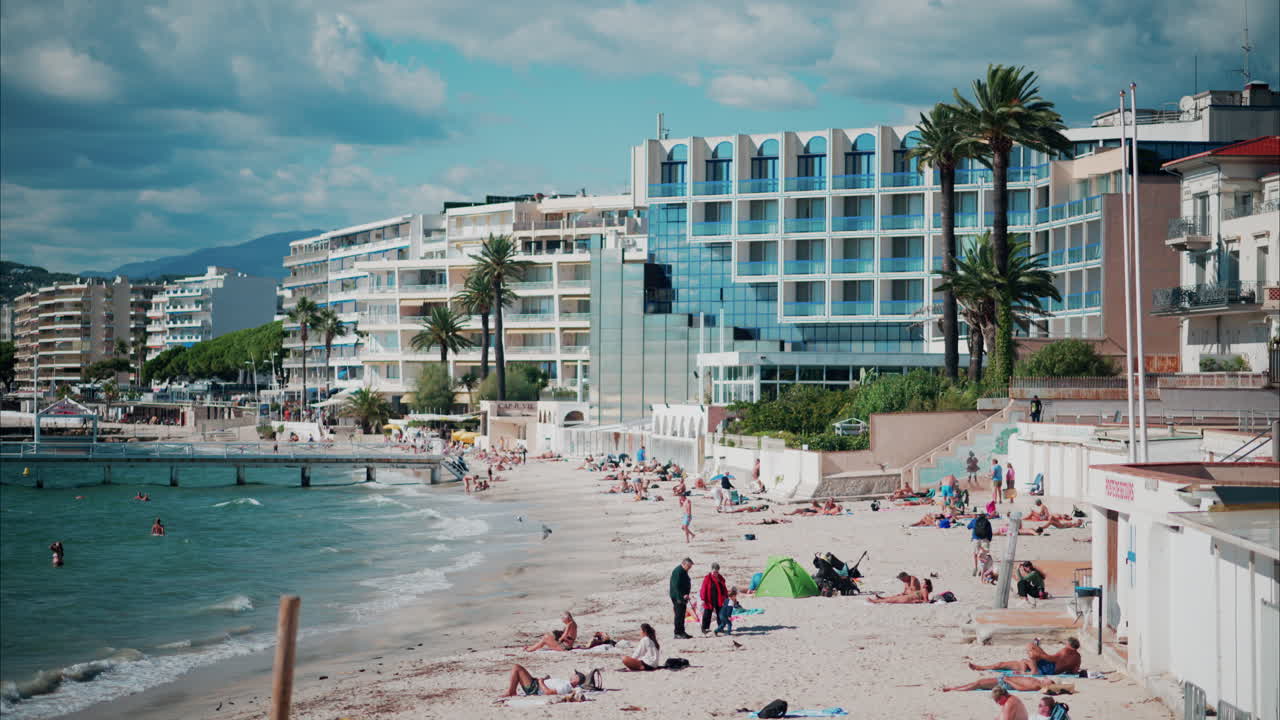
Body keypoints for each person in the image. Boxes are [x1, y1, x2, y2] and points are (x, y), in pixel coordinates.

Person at [969, 638, 1083, 676]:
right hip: (1049, 668)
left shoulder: (1065, 651)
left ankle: (1031, 671)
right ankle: (980, 667)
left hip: (1048, 669)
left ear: (1069, 645)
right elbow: (1074, 671)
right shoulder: (1078, 657)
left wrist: (1040, 654)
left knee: (1031, 649)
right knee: (1002, 664)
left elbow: (1050, 659)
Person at [502, 665, 584, 697]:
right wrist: (546, 680)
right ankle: (511, 691)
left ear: (576, 679)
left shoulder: (565, 686)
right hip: (536, 685)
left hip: (535, 688)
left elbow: (549, 692)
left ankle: (511, 692)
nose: (572, 675)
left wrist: (541, 682)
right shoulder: (566, 684)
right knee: (518, 669)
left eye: (574, 674)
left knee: (517, 668)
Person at [699, 562, 729, 635]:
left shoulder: (720, 578)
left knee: (720, 613)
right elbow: (703, 589)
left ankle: (720, 627)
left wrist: (726, 597)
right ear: (711, 570)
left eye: (717, 571)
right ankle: (705, 628)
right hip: (709, 599)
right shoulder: (707, 578)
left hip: (719, 598)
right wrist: (702, 599)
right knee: (707, 613)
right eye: (714, 571)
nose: (715, 573)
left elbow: (724, 588)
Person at [942, 675, 1060, 693]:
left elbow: (1020, 688)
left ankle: (954, 689)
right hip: (1006, 680)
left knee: (978, 684)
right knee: (978, 682)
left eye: (1048, 680)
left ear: (1046, 685)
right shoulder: (1037, 681)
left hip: (1006, 683)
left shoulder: (1036, 686)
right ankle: (956, 688)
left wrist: (1008, 680)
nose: (1046, 678)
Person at [670, 558, 693, 639]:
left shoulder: (683, 571)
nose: (689, 568)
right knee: (679, 615)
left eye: (690, 566)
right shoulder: (678, 571)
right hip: (677, 597)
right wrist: (681, 596)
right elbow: (675, 586)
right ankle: (677, 633)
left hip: (683, 597)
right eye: (688, 566)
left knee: (682, 615)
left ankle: (682, 632)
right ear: (684, 564)